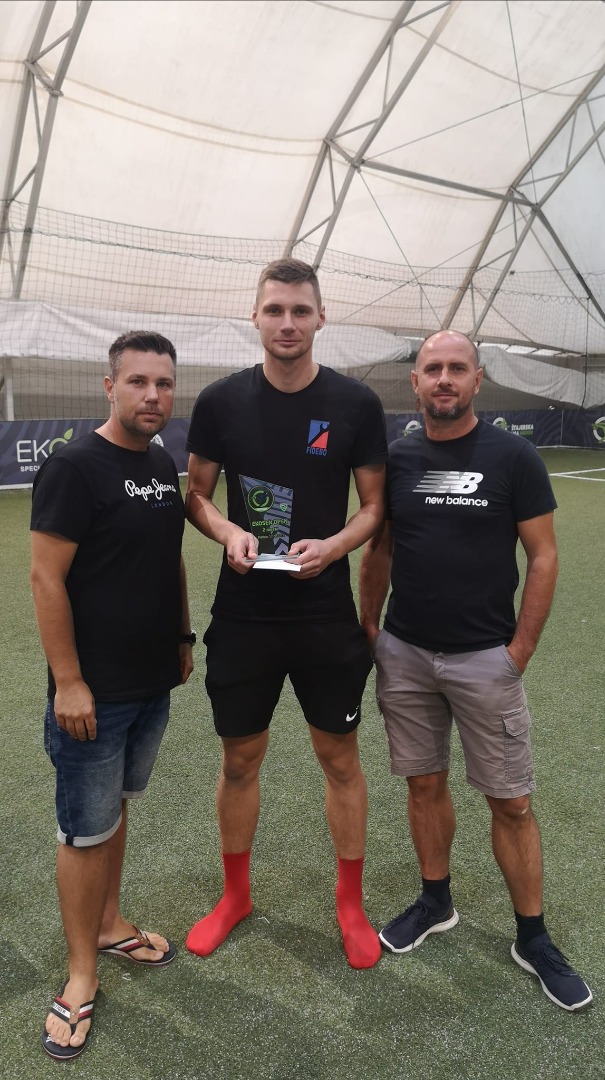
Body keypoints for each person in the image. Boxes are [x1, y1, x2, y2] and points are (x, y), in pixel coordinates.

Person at [359, 329, 592, 1011]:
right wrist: (371, 627)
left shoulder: (513, 456)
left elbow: (543, 555)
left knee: (511, 802)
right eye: (432, 368)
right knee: (423, 783)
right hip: (405, 655)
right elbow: (380, 549)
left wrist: (519, 649)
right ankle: (436, 902)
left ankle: (532, 937)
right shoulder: (397, 459)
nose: (444, 379)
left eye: (456, 368)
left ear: (477, 379)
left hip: (486, 659)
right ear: (415, 382)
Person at [185, 257, 387, 969]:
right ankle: (235, 896)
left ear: (321, 317)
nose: (288, 322)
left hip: (324, 613)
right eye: (275, 309)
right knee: (239, 760)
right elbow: (196, 495)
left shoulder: (356, 404)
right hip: (244, 613)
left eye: (301, 310)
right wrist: (227, 532)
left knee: (340, 758)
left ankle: (350, 904)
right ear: (256, 316)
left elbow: (373, 508)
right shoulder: (220, 402)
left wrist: (333, 546)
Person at [31, 331, 195, 1060]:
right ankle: (79, 974)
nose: (152, 395)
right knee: (84, 832)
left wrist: (183, 636)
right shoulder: (74, 467)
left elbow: (168, 558)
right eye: (138, 382)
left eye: (164, 383)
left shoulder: (159, 462)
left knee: (116, 810)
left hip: (151, 682)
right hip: (92, 695)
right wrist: (69, 681)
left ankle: (108, 924)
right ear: (109, 387)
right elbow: (46, 579)